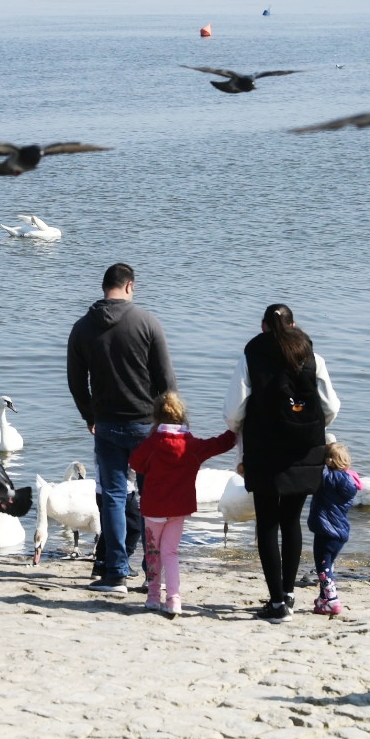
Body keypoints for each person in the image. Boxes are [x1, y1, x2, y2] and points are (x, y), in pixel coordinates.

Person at [223, 304, 340, 623]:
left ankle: (276, 604)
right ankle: (288, 594)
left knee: (268, 523)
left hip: (264, 451)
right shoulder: (313, 357)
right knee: (291, 522)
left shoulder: (252, 354)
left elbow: (234, 411)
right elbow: (331, 407)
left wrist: (242, 432)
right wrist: (307, 427)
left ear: (263, 326)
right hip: (304, 451)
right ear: (294, 324)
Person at [67, 262, 177, 593]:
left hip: (107, 425)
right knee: (151, 498)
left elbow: (76, 382)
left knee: (114, 497)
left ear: (105, 287)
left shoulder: (83, 328)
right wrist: (168, 422)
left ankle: (115, 573)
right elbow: (166, 381)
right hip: (146, 424)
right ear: (129, 286)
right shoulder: (146, 322)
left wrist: (90, 416)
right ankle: (152, 574)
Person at [128, 390, 236, 617]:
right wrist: (236, 429)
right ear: (182, 416)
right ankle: (174, 599)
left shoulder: (153, 444)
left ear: (156, 417)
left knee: (153, 553)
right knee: (171, 553)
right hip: (178, 509)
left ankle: (153, 596)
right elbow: (219, 444)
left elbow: (136, 464)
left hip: (154, 509)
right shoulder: (191, 445)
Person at [307, 440, 361, 616]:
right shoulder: (350, 481)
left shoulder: (326, 479)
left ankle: (332, 599)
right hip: (340, 532)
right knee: (328, 565)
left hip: (325, 530)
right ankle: (323, 598)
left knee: (323, 568)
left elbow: (313, 476)